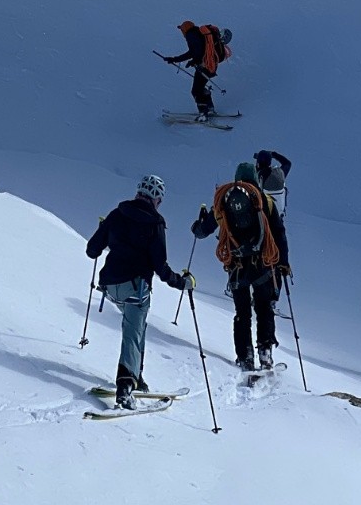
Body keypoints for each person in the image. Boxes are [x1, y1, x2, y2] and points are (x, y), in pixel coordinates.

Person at [86, 174, 194, 408]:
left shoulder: (116, 214)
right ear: (157, 200)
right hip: (135, 288)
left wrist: (105, 230)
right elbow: (160, 267)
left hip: (109, 286)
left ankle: (137, 376)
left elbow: (92, 250)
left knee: (138, 324)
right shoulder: (155, 223)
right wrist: (182, 282)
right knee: (133, 332)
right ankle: (125, 386)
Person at [192, 160, 289, 373]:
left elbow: (202, 231)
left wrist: (198, 225)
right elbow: (279, 234)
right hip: (263, 264)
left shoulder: (223, 201)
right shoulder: (266, 201)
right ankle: (265, 351)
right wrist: (283, 263)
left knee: (241, 311)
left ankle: (245, 355)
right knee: (264, 307)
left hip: (236, 266)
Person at [161, 22, 232, 118]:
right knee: (200, 87)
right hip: (211, 66)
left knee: (196, 90)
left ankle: (203, 113)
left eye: (182, 29)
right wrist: (176, 59)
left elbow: (196, 52)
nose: (182, 32)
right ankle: (210, 108)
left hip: (204, 66)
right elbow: (196, 51)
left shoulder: (191, 35)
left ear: (185, 29)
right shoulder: (199, 34)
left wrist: (192, 61)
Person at [253, 149, 291, 216]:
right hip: (279, 216)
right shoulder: (279, 174)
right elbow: (287, 163)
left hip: (265, 218)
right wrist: (274, 155)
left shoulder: (259, 177)